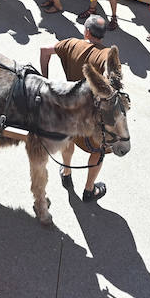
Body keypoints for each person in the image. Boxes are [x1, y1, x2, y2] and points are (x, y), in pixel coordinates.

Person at [37, 16, 120, 202]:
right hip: (92, 116)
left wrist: (45, 81)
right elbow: (109, 74)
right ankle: (89, 190)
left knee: (68, 141)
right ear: (102, 35)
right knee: (98, 151)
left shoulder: (71, 44)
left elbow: (44, 51)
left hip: (69, 109)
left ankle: (66, 172)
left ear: (87, 32)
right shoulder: (106, 54)